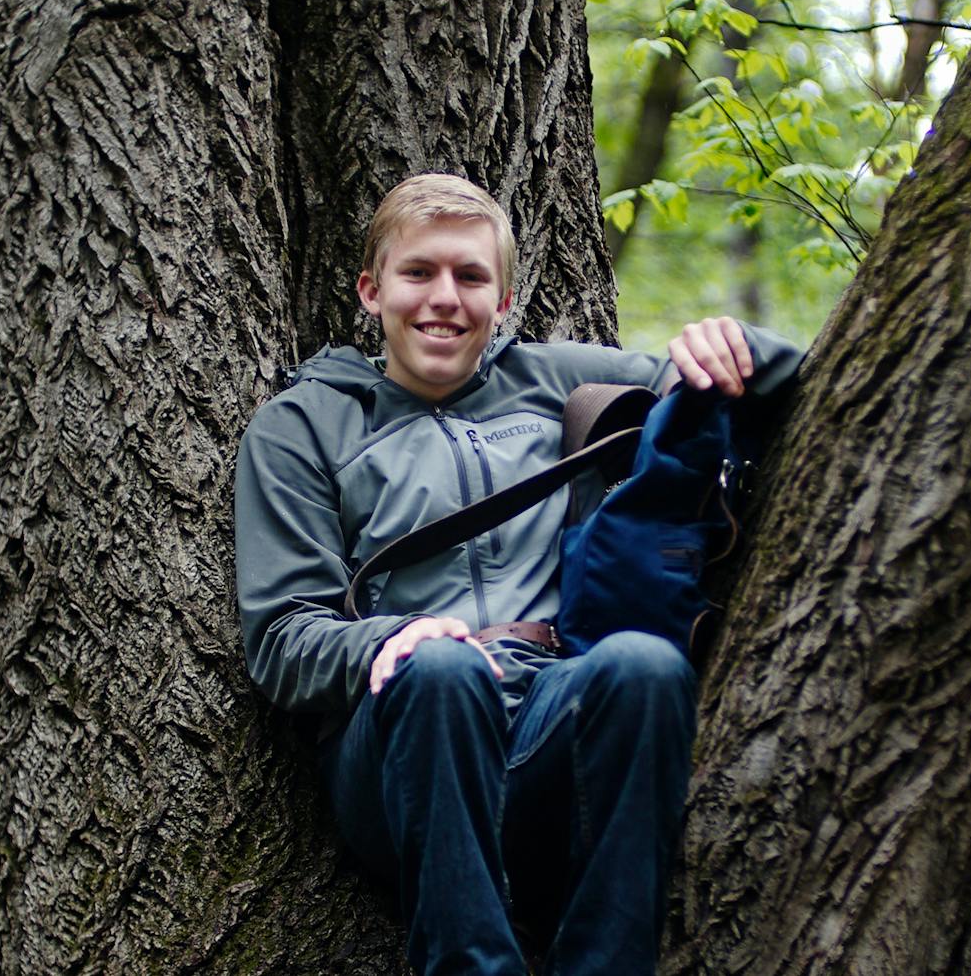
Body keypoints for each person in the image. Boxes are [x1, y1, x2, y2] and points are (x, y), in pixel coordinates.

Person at [234, 173, 801, 975]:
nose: (445, 298)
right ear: (371, 290)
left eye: (471, 278)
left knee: (645, 666)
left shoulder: (555, 376)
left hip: (548, 713)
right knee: (440, 671)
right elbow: (283, 637)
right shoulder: (304, 425)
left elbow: (769, 383)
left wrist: (732, 342)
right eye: (418, 273)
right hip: (403, 742)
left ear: (502, 303)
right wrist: (387, 643)